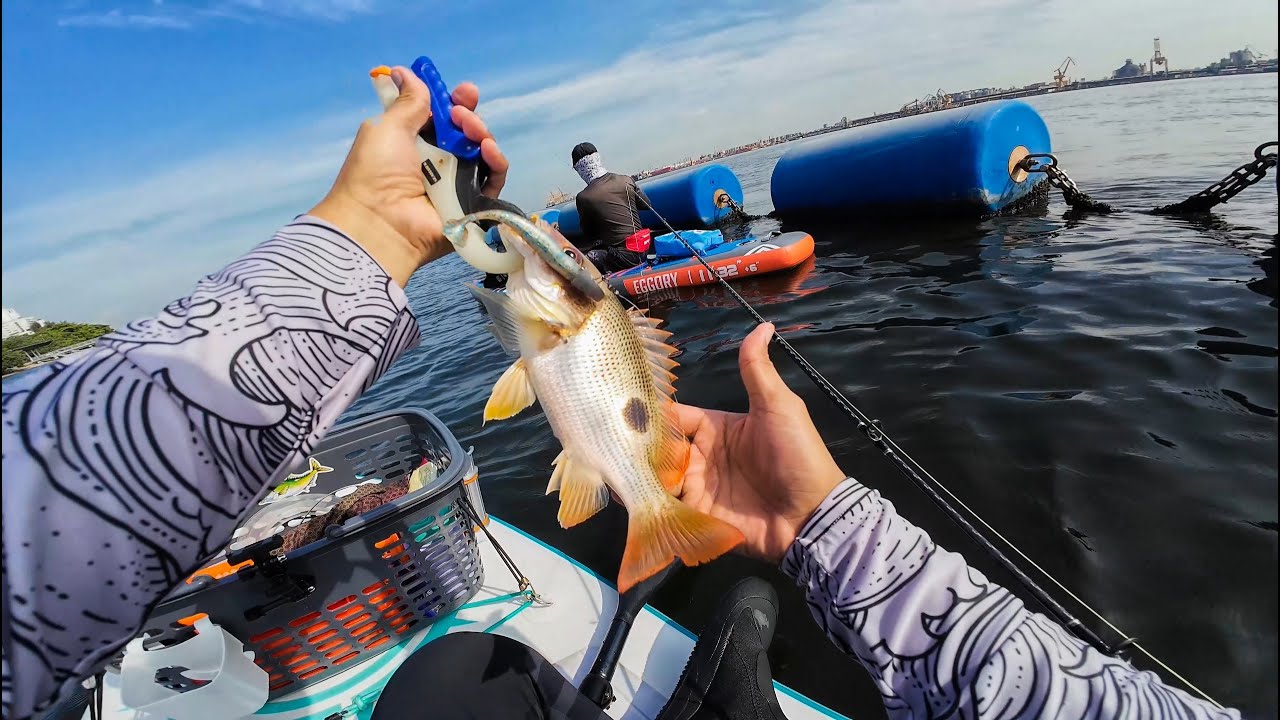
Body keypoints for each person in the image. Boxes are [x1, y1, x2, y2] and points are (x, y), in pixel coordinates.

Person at [0, 66, 1238, 720]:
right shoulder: (595, 235)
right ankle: (662, 529)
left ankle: (663, 530)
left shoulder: (570, 260)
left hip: (600, 329)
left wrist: (373, 235)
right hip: (606, 334)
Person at [571, 142, 655, 273]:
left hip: (625, 258)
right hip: (645, 246)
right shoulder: (626, 180)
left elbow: (589, 234)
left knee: (583, 259)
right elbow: (646, 205)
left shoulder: (583, 197)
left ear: (579, 169)